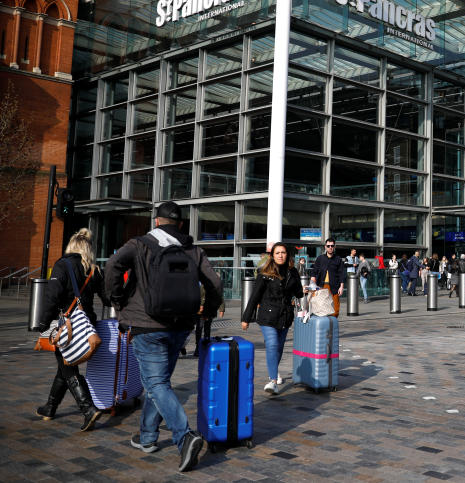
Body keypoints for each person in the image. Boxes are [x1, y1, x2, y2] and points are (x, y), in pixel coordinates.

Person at [105, 201, 222, 472]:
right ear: (180, 224)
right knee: (160, 383)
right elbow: (214, 283)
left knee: (156, 384)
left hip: (148, 325)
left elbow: (112, 265)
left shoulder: (139, 244)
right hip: (181, 326)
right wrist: (210, 311)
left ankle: (185, 437)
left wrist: (117, 298)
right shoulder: (192, 249)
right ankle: (147, 436)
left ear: (156, 221)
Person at [36, 227, 107, 430]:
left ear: (71, 246)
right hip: (87, 325)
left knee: (68, 367)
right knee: (64, 365)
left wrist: (43, 323)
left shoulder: (63, 265)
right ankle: (50, 407)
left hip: (67, 326)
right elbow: (107, 299)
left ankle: (88, 409)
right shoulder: (94, 270)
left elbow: (52, 296)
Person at [241, 242, 304, 394]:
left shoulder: (292, 271)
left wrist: (301, 288)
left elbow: (299, 293)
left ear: (287, 255)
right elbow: (254, 296)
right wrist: (246, 318)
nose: (281, 255)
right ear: (272, 256)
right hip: (267, 315)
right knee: (272, 344)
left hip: (285, 316)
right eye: (277, 253)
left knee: (279, 347)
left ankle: (274, 373)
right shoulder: (265, 273)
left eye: (283, 252)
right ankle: (273, 381)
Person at [310, 238, 345, 313]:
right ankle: (325, 323)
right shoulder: (320, 258)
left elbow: (341, 273)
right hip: (321, 286)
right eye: (328, 246)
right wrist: (312, 283)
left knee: (336, 309)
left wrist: (341, 287)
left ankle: (332, 323)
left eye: (332, 246)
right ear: (325, 247)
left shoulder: (338, 259)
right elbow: (314, 271)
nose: (330, 247)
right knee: (321, 308)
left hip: (334, 286)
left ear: (334, 247)